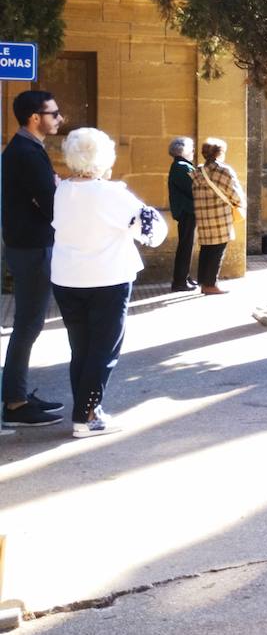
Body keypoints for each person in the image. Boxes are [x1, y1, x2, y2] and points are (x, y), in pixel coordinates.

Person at [52, 128, 167, 437]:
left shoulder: (62, 190)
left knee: (81, 347)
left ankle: (87, 410)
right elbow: (153, 232)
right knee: (103, 351)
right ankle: (86, 417)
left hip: (67, 279)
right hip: (107, 279)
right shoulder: (111, 193)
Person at [2, 90, 65, 428]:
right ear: (35, 117)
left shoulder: (24, 149)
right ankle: (14, 402)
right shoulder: (27, 152)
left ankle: (16, 395)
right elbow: (51, 204)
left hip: (26, 244)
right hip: (32, 247)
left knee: (29, 323)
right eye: (54, 113)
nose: (59, 118)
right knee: (28, 324)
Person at [191, 137, 246, 295]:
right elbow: (235, 193)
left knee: (206, 250)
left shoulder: (197, 171)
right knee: (217, 251)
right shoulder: (224, 170)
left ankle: (203, 283)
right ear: (219, 153)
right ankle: (211, 285)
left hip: (203, 216)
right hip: (220, 216)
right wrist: (240, 204)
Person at [167, 136, 197, 291]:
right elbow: (195, 188)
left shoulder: (182, 165)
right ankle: (180, 281)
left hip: (187, 210)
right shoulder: (182, 167)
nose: (193, 151)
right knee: (186, 245)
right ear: (183, 150)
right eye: (191, 148)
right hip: (187, 210)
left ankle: (184, 277)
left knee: (187, 245)